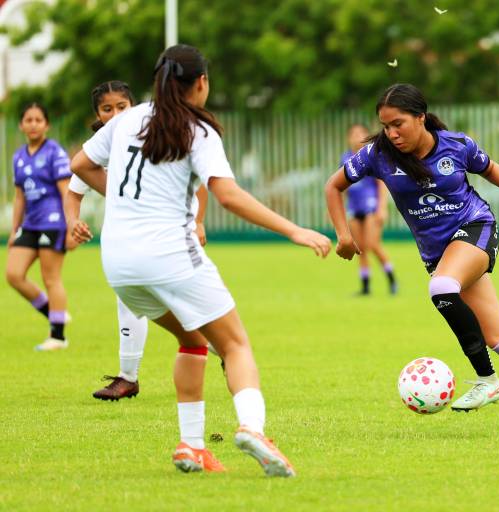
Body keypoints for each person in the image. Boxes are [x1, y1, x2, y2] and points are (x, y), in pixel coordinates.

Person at [71, 44, 331, 474]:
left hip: (118, 263)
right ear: (202, 83)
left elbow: (79, 163)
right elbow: (227, 195)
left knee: (193, 340)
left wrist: (123, 202)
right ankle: (252, 428)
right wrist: (295, 229)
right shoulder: (197, 129)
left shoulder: (126, 120)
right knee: (234, 343)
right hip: (170, 254)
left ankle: (192, 446)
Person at [326, 83, 499, 434]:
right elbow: (332, 186)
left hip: (476, 228)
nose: (391, 133)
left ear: (420, 118)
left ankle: (486, 380)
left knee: (441, 287)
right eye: (385, 126)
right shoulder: (377, 155)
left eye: (398, 124)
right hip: (439, 252)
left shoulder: (456, 145)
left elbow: (488, 167)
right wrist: (344, 236)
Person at [64, 80, 212, 401]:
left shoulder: (155, 132)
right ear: (98, 114)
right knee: (131, 298)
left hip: (171, 229)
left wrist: (198, 221)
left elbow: (200, 179)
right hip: (131, 237)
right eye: (107, 109)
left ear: (134, 107)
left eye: (122, 107)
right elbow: (74, 189)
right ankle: (128, 376)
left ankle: (225, 346)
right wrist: (73, 221)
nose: (115, 113)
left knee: (184, 296)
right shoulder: (102, 146)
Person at [6, 103, 72, 351]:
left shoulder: (55, 152)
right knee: (13, 275)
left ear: (47, 125)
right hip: (30, 224)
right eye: (28, 120)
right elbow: (20, 196)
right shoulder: (19, 156)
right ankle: (56, 312)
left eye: (38, 120)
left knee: (50, 277)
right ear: (22, 125)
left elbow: (66, 191)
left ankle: (58, 336)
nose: (33, 124)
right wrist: (14, 230)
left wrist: (71, 224)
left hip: (53, 222)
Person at [341, 124, 397, 295]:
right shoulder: (345, 158)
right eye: (353, 134)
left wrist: (382, 208)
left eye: (360, 133)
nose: (356, 137)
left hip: (371, 206)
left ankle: (391, 279)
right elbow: (341, 185)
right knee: (360, 248)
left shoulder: (371, 156)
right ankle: (365, 287)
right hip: (353, 207)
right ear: (348, 138)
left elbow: (381, 183)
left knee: (372, 244)